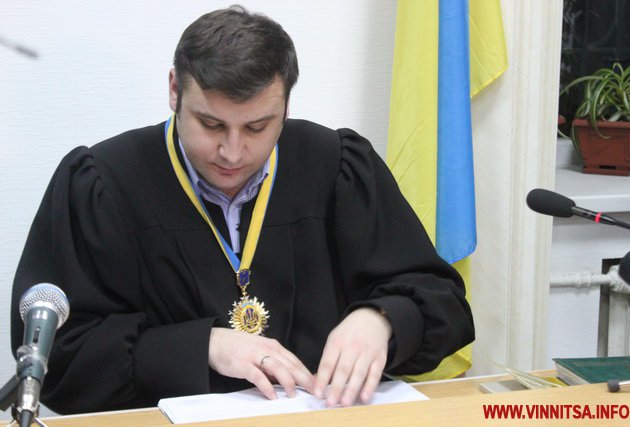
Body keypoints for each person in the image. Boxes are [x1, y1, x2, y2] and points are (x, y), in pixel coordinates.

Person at [10, 5, 474, 415]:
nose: (232, 152)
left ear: (286, 105)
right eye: (211, 124)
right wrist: (202, 346)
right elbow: (62, 356)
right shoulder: (105, 183)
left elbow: (442, 302)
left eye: (257, 127)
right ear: (174, 90)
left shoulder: (334, 165)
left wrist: (382, 319)